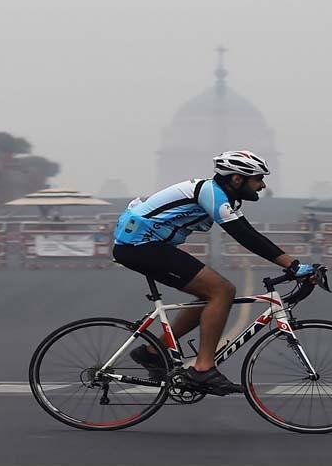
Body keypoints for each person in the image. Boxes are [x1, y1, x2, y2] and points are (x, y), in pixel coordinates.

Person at [112, 150, 315, 396]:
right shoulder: (211, 193)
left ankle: (153, 352)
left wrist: (292, 265)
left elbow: (248, 232)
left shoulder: (220, 194)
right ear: (237, 179)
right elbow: (245, 236)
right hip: (140, 245)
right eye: (258, 179)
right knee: (222, 290)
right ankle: (203, 368)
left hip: (145, 244)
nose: (263, 185)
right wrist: (293, 266)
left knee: (211, 296)